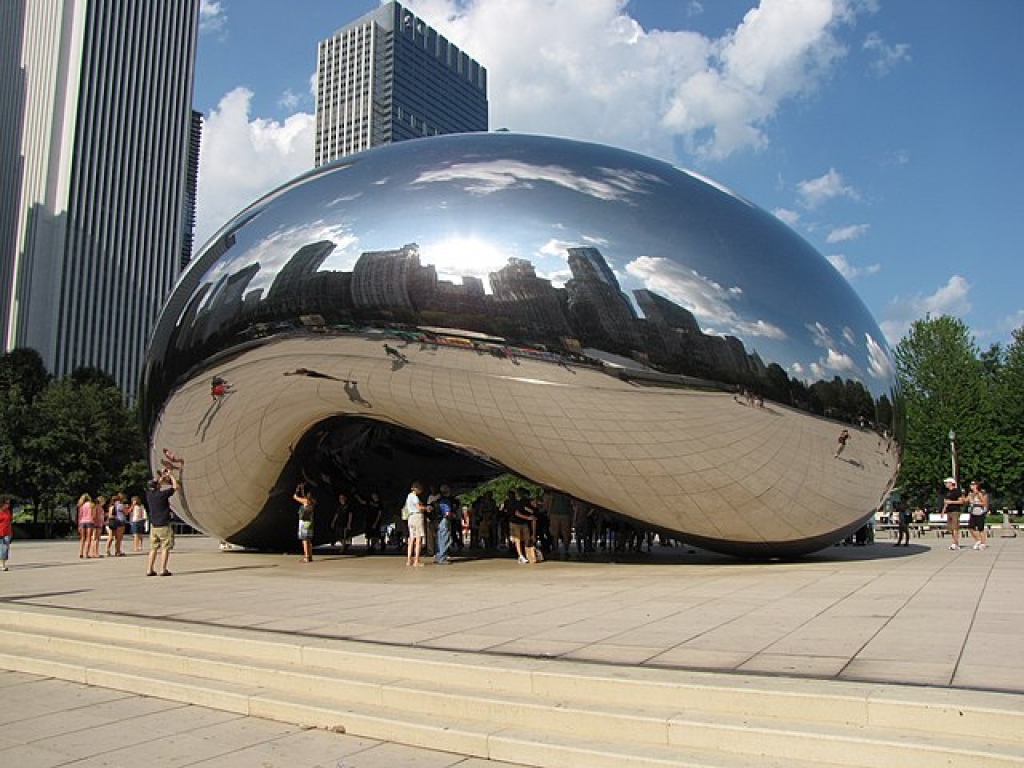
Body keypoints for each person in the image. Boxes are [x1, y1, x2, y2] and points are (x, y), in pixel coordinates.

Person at [145, 469, 179, 576]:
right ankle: (163, 569)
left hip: (154, 525)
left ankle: (149, 569)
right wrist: (171, 476)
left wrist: (162, 478)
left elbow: (155, 486)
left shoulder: (149, 495)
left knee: (153, 548)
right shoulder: (162, 495)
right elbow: (175, 487)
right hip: (164, 523)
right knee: (165, 547)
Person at [405, 481, 427, 567]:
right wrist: (426, 508)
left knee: (411, 539)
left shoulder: (408, 496)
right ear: (417, 489)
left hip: (410, 517)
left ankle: (408, 560)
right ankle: (416, 560)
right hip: (417, 517)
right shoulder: (415, 497)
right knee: (418, 540)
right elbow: (418, 507)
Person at [433, 484, 457, 564]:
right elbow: (447, 513)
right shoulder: (446, 501)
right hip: (444, 520)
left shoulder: (438, 500)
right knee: (445, 539)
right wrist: (453, 515)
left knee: (439, 539)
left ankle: (438, 556)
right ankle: (442, 558)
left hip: (438, 521)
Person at [293, 483, 316, 562]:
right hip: (310, 522)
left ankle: (306, 557)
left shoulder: (305, 501)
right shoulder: (312, 501)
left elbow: (295, 497)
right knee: (309, 540)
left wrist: (297, 489)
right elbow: (303, 496)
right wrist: (302, 488)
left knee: (304, 540)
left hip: (304, 522)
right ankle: (310, 556)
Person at [942, 477, 965, 550]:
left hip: (955, 511)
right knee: (950, 528)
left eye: (947, 483)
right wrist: (943, 511)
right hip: (949, 511)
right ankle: (954, 542)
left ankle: (956, 543)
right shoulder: (948, 492)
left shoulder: (957, 491)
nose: (946, 484)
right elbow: (946, 502)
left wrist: (951, 502)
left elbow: (961, 501)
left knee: (955, 527)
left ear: (951, 483)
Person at [966, 480, 989, 550]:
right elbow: (965, 500)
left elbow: (984, 503)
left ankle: (983, 543)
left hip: (980, 513)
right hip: (973, 513)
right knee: (970, 527)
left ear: (976, 486)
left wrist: (975, 503)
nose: (971, 485)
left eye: (973, 484)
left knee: (980, 529)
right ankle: (978, 540)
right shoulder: (970, 494)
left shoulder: (979, 494)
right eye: (971, 484)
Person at [76, 493, 95, 559]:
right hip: (89, 521)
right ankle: (86, 553)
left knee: (82, 538)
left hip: (82, 522)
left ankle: (81, 553)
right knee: (88, 538)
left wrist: (79, 525)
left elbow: (79, 516)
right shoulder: (91, 505)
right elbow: (93, 514)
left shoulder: (81, 506)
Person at [0, 498, 13, 571]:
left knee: (5, 549)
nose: (8, 505)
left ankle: (2, 564)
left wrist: (11, 533)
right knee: (1, 549)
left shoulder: (8, 512)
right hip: (0, 532)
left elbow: (9, 522)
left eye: (8, 503)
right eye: (6, 503)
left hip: (7, 533)